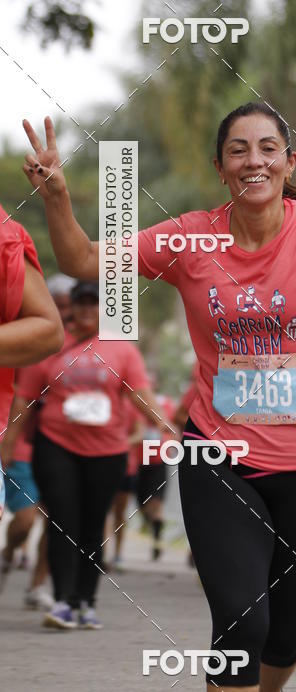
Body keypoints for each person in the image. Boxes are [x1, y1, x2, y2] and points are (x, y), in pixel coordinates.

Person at [21, 102, 296, 689]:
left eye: (267, 148)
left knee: (284, 637)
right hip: (218, 457)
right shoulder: (188, 237)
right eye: (238, 150)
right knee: (242, 624)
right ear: (220, 167)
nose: (254, 160)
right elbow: (84, 260)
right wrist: (56, 196)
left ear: (288, 161)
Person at [3, 280, 171, 630]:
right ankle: (63, 601)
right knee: (63, 522)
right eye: (81, 304)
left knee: (94, 526)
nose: (86, 310)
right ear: (72, 308)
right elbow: (25, 399)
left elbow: (139, 393)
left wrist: (163, 423)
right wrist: (8, 444)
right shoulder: (51, 346)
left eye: (95, 304)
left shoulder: (121, 350)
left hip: (107, 451)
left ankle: (85, 602)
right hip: (56, 446)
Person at [1, 273, 76, 608]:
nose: (63, 313)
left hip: (62, 447)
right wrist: (7, 442)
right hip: (22, 446)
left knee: (58, 517)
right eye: (56, 306)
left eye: (67, 307)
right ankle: (10, 551)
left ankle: (37, 585)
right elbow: (21, 398)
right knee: (25, 520)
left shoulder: (88, 346)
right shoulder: (25, 336)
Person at [0, 204, 64, 527]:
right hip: (24, 447)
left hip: (48, 449)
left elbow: (48, 330)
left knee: (50, 520)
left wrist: (58, 198)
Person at [135, 391, 177, 561]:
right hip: (140, 460)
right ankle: (152, 525)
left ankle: (156, 539)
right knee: (143, 503)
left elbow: (174, 426)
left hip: (160, 460)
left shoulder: (167, 404)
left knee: (156, 503)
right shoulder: (138, 403)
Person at [107, 398, 144, 570]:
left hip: (126, 467)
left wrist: (120, 443)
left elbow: (139, 434)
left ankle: (118, 553)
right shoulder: (104, 401)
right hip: (102, 463)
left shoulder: (133, 406)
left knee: (120, 513)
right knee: (102, 512)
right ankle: (100, 553)